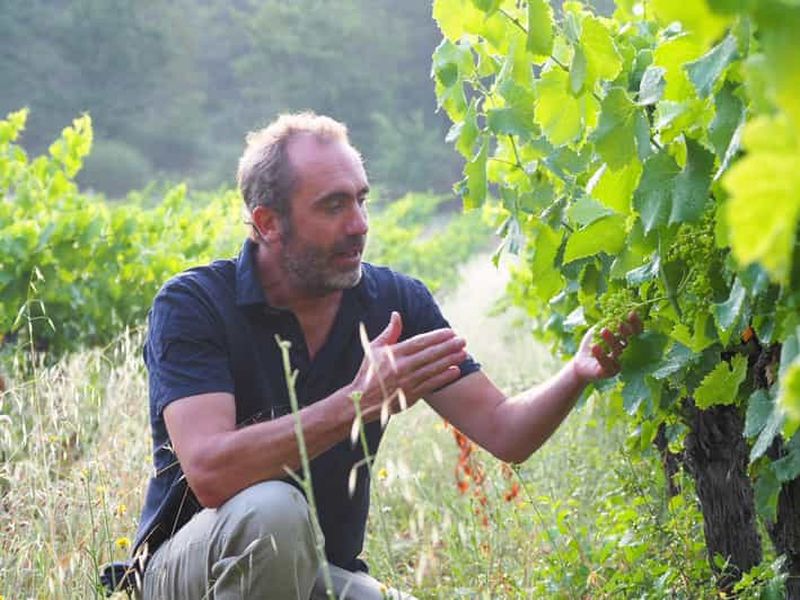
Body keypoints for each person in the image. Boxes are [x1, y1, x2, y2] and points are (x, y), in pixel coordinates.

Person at [126, 112, 640, 599]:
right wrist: (357, 402)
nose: (359, 224)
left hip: (321, 576)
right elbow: (210, 473)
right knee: (274, 512)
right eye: (333, 206)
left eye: (361, 200)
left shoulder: (394, 302)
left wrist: (577, 372)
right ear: (268, 222)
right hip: (193, 571)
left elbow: (506, 430)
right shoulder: (195, 304)